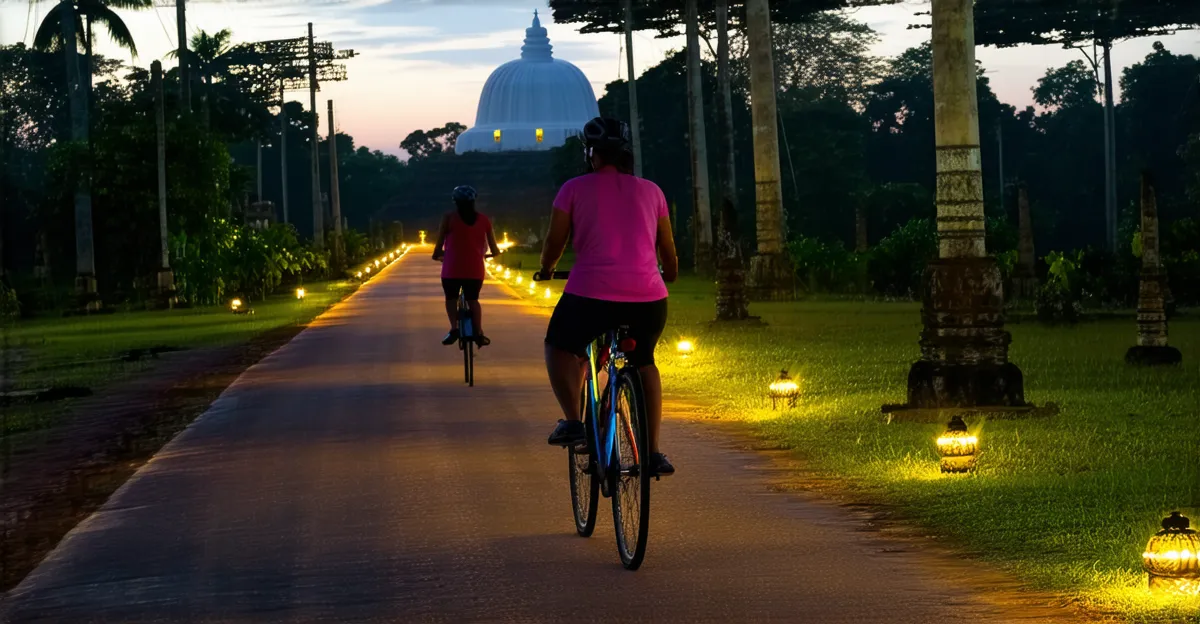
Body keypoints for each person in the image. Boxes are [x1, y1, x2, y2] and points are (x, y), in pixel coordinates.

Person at [538, 117, 680, 476]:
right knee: (644, 361)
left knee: (559, 345)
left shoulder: (573, 189)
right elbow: (668, 251)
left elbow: (555, 242)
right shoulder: (652, 191)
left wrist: (547, 267)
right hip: (648, 298)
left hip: (590, 294)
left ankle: (573, 422)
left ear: (592, 154)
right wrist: (671, 274)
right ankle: (653, 454)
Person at [433, 185, 501, 347]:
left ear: (455, 202)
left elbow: (439, 244)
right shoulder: (484, 220)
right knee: (473, 300)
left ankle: (454, 329)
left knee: (451, 298)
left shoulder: (448, 218)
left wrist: (438, 255)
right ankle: (478, 332)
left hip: (451, 269)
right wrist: (484, 255)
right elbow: (495, 249)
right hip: (475, 270)